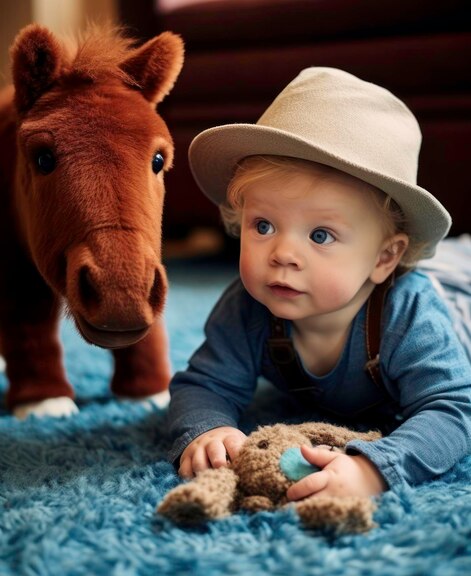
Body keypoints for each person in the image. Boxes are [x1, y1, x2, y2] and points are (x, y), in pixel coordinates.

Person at [167, 67, 471, 500]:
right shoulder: (247, 309)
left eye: (320, 235)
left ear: (385, 257)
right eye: (264, 225)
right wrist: (207, 428)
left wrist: (374, 471)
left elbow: (454, 409)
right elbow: (203, 384)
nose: (282, 254)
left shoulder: (410, 315)